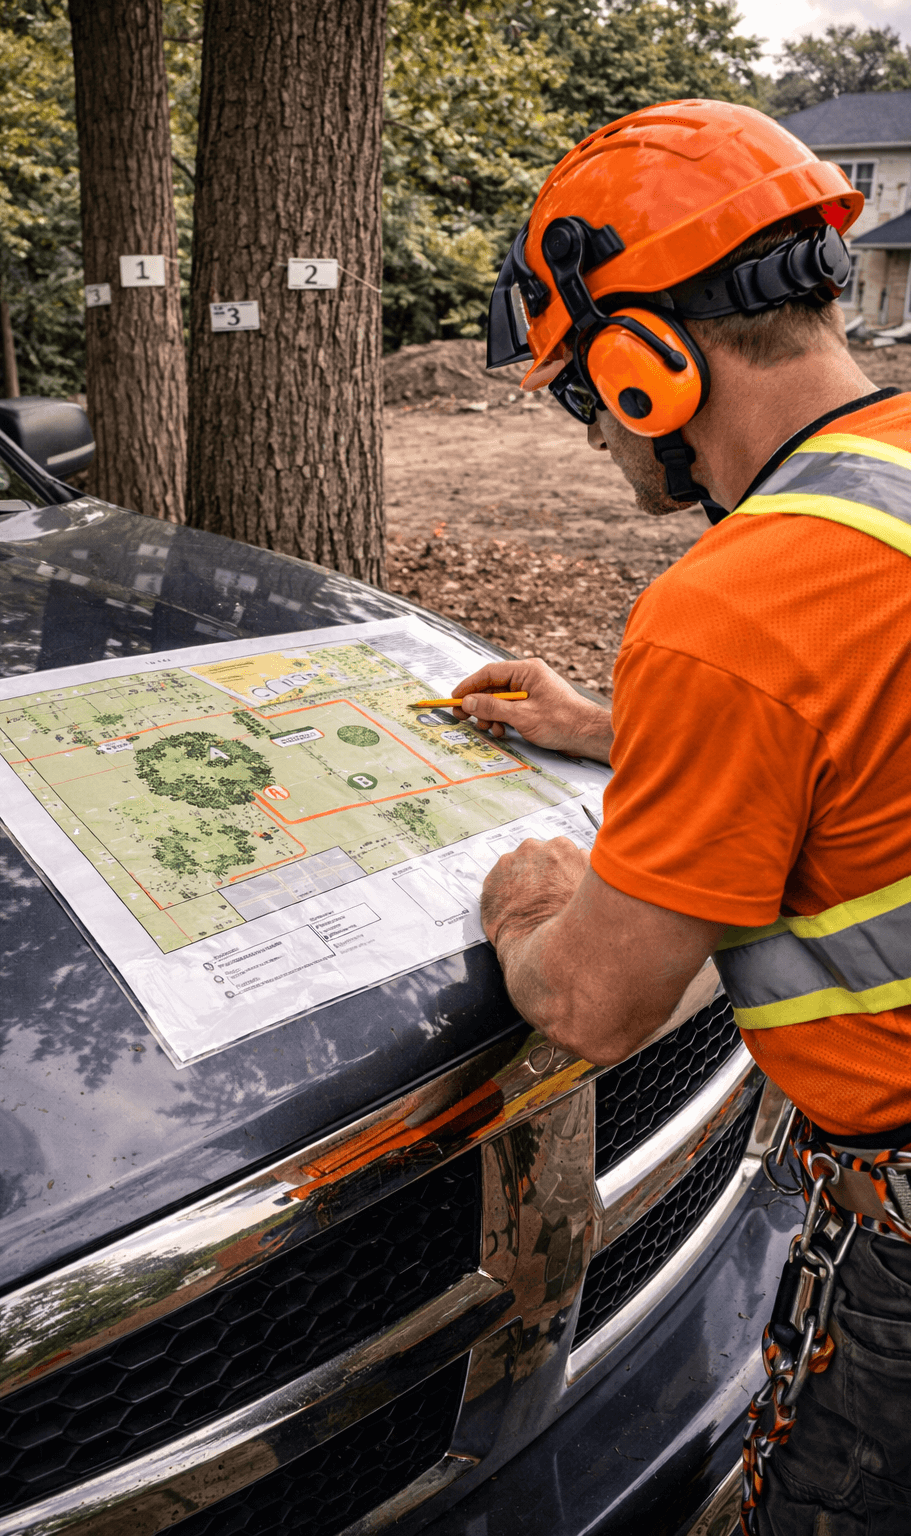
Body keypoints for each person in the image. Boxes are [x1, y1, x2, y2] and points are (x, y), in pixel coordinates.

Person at [454, 99, 911, 1535]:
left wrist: (529, 908)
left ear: (647, 364)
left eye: (582, 392)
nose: (595, 436)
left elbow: (596, 1006)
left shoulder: (733, 611)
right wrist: (609, 730)